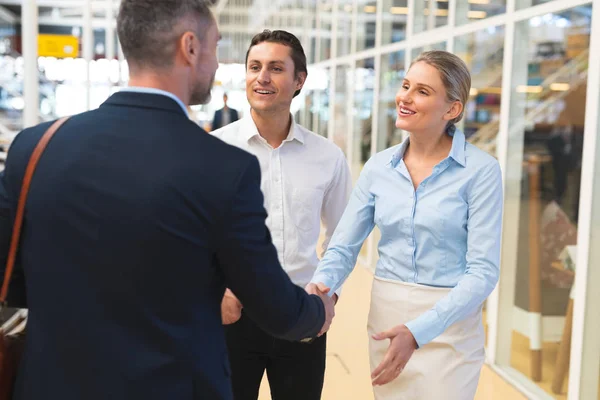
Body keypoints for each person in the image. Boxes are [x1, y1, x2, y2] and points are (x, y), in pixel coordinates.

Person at [0, 2, 334, 400]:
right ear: (190, 47)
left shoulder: (35, 147)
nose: (215, 63)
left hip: (52, 384)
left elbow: (12, 278)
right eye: (215, 46)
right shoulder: (223, 167)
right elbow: (276, 308)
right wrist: (318, 312)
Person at [308, 50, 503, 399]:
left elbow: (483, 272)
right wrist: (320, 289)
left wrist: (418, 331)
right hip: (388, 317)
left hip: (450, 327)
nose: (405, 97)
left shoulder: (481, 171)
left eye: (422, 91)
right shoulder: (379, 167)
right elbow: (343, 245)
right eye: (405, 85)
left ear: (452, 109)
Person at [212, 30, 352, 400]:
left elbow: (342, 237)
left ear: (299, 80)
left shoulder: (327, 157)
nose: (262, 77)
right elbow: (196, 235)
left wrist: (327, 297)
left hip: (300, 312)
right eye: (255, 67)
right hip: (232, 316)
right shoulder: (214, 150)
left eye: (276, 68)